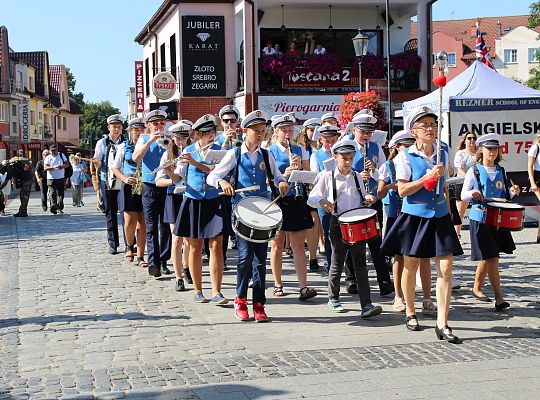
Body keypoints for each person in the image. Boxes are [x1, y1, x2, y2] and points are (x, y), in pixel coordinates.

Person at [381, 106, 463, 343]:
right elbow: (403, 190)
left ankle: (443, 322)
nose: (430, 128)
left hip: (439, 216)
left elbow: (445, 186)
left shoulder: (442, 153)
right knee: (412, 265)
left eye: (433, 124)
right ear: (413, 131)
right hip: (415, 216)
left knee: (446, 269)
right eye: (424, 125)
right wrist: (427, 178)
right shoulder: (404, 157)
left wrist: (449, 213)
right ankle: (410, 310)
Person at [208, 109, 289, 322]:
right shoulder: (234, 154)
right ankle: (240, 299)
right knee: (244, 258)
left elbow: (278, 176)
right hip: (242, 211)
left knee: (260, 261)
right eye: (256, 131)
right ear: (245, 131)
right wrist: (222, 182)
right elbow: (213, 176)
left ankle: (259, 304)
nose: (260, 134)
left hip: (263, 212)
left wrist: (281, 182)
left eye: (263, 131)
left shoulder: (266, 154)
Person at [308, 139, 383, 318]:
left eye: (351, 157)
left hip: (356, 223)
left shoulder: (357, 176)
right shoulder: (327, 176)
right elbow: (312, 197)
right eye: (344, 158)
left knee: (360, 264)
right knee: (337, 262)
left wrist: (369, 199)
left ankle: (366, 304)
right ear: (335, 157)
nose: (348, 162)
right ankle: (333, 298)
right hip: (337, 223)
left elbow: (363, 197)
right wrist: (323, 201)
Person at [461, 133, 520, 311]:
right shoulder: (474, 170)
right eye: (488, 149)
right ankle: (499, 298)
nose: (492, 152)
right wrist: (473, 194)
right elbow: (464, 194)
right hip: (480, 218)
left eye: (495, 149)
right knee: (492, 257)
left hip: (498, 219)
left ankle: (477, 287)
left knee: (488, 256)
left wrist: (513, 191)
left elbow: (504, 196)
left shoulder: (501, 171)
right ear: (481, 150)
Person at [174, 114, 227, 304]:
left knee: (216, 245)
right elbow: (178, 178)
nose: (210, 136)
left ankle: (217, 291)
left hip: (213, 199)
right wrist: (169, 169)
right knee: (195, 247)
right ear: (197, 135)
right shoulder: (187, 150)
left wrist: (196, 163)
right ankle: (198, 290)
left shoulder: (220, 151)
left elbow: (218, 173)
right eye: (206, 133)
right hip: (193, 200)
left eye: (212, 132)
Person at [268, 114, 317, 300]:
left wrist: (299, 170)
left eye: (290, 130)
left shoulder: (299, 149)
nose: (288, 134)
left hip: (296, 199)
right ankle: (278, 284)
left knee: (297, 245)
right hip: (278, 199)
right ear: (276, 132)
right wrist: (283, 174)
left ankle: (303, 286)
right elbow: (267, 178)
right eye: (284, 131)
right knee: (277, 244)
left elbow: (308, 174)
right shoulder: (269, 150)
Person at [346, 112, 394, 296]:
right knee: (353, 241)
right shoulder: (346, 145)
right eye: (363, 132)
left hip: (372, 199)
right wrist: (358, 176)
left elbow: (383, 173)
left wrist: (373, 172)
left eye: (369, 133)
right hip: (352, 200)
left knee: (375, 240)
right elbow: (339, 173)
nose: (366, 136)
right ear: (354, 130)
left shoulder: (375, 147)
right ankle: (352, 280)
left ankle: (383, 280)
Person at [132, 109, 173, 278]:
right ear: (148, 125)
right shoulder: (142, 139)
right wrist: (150, 141)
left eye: (161, 123)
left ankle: (163, 261)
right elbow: (136, 158)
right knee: (151, 227)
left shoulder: (169, 139)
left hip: (166, 187)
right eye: (155, 123)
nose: (159, 126)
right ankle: (153, 262)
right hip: (149, 187)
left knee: (165, 226)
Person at [110, 117, 148, 267]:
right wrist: (124, 179)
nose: (139, 132)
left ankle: (140, 256)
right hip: (129, 186)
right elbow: (115, 167)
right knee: (130, 221)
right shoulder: (123, 147)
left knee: (143, 222)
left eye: (141, 129)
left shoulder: (148, 145)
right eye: (136, 130)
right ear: (130, 131)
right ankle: (129, 245)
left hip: (145, 185)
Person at [91, 114, 126, 253]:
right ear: (108, 127)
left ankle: (130, 242)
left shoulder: (126, 142)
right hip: (108, 181)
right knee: (110, 213)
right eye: (114, 126)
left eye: (119, 126)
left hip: (123, 180)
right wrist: (97, 163)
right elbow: (97, 161)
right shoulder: (102, 142)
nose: (116, 129)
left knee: (126, 212)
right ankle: (113, 243)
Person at [310, 125, 340, 273]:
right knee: (328, 234)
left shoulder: (341, 153)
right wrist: (326, 172)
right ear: (321, 139)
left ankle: (344, 265)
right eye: (326, 141)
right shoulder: (316, 155)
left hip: (341, 199)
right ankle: (329, 264)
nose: (330, 144)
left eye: (332, 140)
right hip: (324, 200)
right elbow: (314, 178)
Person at [297, 118, 322, 271]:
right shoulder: (301, 148)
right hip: (308, 189)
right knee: (313, 222)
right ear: (305, 132)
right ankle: (312, 256)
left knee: (319, 221)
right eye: (310, 130)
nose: (313, 133)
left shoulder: (324, 147)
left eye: (315, 130)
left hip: (321, 188)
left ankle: (318, 252)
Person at [453, 132, 477, 239]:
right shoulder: (461, 153)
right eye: (469, 138)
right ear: (465, 140)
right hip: (463, 183)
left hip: (477, 183)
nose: (472, 140)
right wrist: (469, 178)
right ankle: (457, 235)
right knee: (460, 211)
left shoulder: (479, 153)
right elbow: (459, 169)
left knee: (478, 209)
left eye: (474, 138)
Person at [44, 143, 69, 215]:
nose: (53, 152)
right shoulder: (48, 158)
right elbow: (45, 168)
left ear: (56, 150)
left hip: (60, 177)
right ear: (49, 151)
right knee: (52, 193)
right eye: (51, 150)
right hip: (51, 178)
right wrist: (53, 167)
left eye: (54, 150)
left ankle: (60, 207)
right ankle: (53, 207)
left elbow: (67, 164)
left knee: (61, 193)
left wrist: (62, 166)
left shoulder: (61, 155)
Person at [527, 133, 540, 243]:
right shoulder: (535, 147)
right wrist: (532, 183)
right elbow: (530, 165)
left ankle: (539, 235)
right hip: (538, 178)